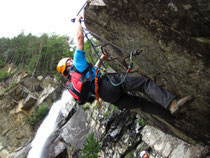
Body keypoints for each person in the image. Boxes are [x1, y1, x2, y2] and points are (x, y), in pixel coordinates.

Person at [57, 16, 192, 115]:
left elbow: (91, 75)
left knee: (142, 104)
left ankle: (172, 117)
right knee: (144, 84)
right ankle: (171, 104)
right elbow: (80, 38)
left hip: (107, 97)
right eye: (68, 60)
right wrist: (78, 21)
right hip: (108, 83)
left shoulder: (75, 79)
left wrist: (102, 59)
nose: (70, 60)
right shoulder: (76, 63)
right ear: (68, 63)